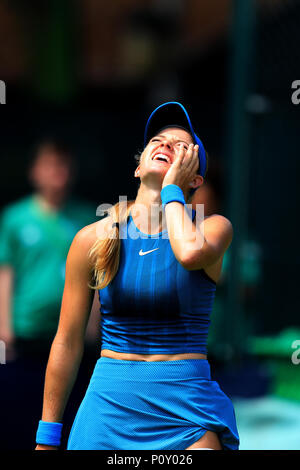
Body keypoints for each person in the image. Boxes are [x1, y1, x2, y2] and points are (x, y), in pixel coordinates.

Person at [35, 102, 239, 451]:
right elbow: (67, 342)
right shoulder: (92, 238)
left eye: (179, 147)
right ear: (138, 168)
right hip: (107, 409)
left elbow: (188, 253)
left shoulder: (213, 228)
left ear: (196, 178)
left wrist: (173, 189)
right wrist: (47, 438)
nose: (164, 145)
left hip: (187, 414)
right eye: (157, 141)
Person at [0, 139, 98, 449]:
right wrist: (4, 332)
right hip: (27, 340)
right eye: (51, 165)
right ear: (34, 172)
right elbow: (5, 274)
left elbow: (98, 276)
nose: (58, 172)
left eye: (64, 165)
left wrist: (93, 329)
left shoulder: (88, 218)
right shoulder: (15, 218)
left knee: (67, 423)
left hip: (73, 341)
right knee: (20, 423)